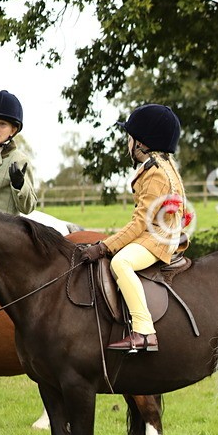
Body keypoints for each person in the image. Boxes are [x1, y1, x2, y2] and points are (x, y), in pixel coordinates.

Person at [82, 104, 190, 353]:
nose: (127, 143)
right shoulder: (165, 165)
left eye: (129, 137)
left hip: (158, 239)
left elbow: (140, 221)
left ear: (141, 143)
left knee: (121, 263)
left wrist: (104, 246)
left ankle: (144, 331)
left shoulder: (155, 174)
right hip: (160, 233)